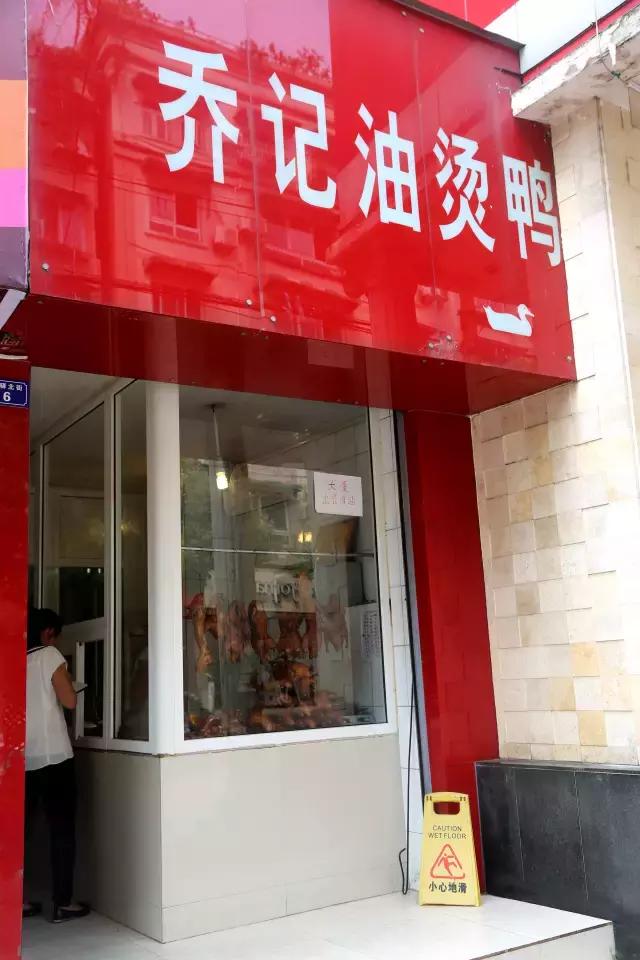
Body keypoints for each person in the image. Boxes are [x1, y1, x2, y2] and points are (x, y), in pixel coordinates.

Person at [23, 608, 90, 924]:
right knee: (61, 831)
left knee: (20, 833)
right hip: (54, 758)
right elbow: (69, 701)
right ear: (49, 632)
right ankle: (63, 903)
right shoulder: (49, 655)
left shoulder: (16, 660)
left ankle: (16, 902)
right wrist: (71, 684)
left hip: (26, 759)